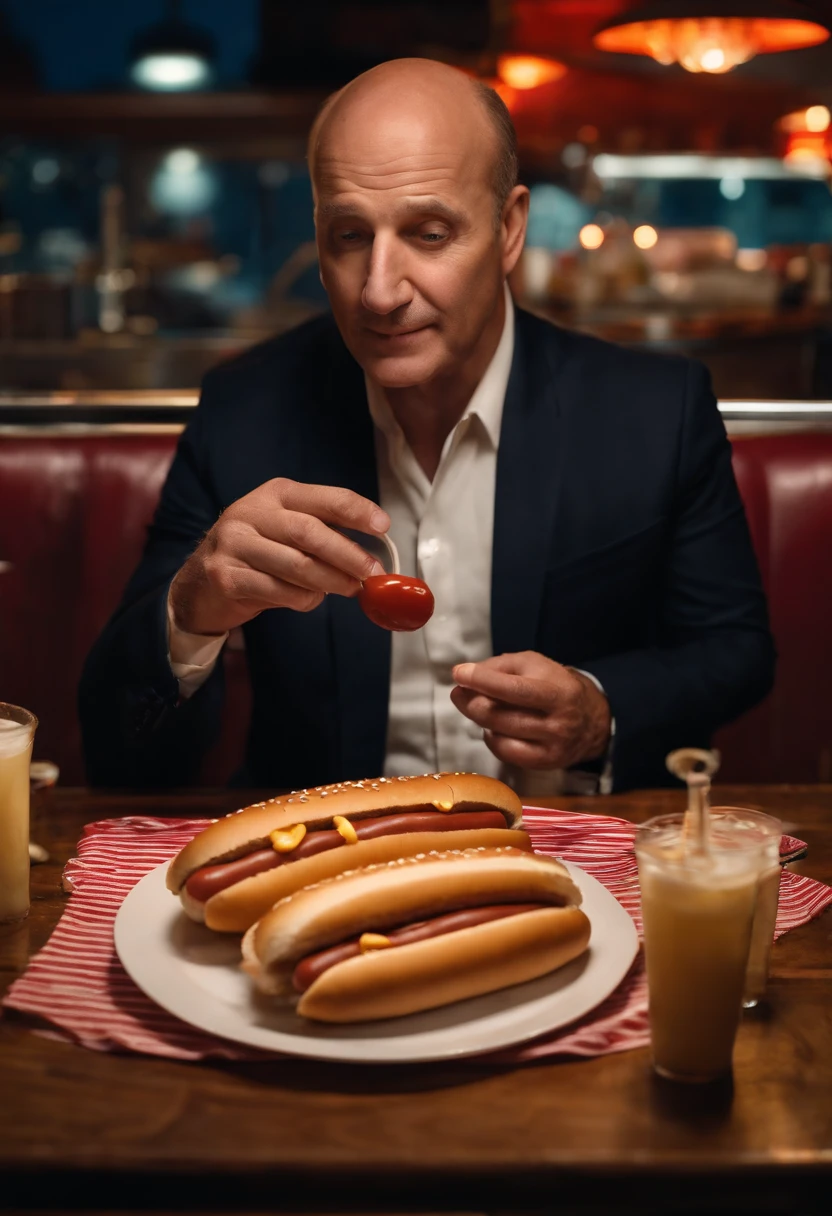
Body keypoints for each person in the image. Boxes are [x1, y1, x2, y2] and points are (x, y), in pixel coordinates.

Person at [79, 58, 775, 794]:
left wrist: (600, 710)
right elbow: (121, 749)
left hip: (566, 852)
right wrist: (192, 612)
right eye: (349, 235)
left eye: (430, 232)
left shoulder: (654, 409)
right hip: (325, 860)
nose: (380, 291)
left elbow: (734, 651)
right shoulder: (243, 410)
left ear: (509, 231)